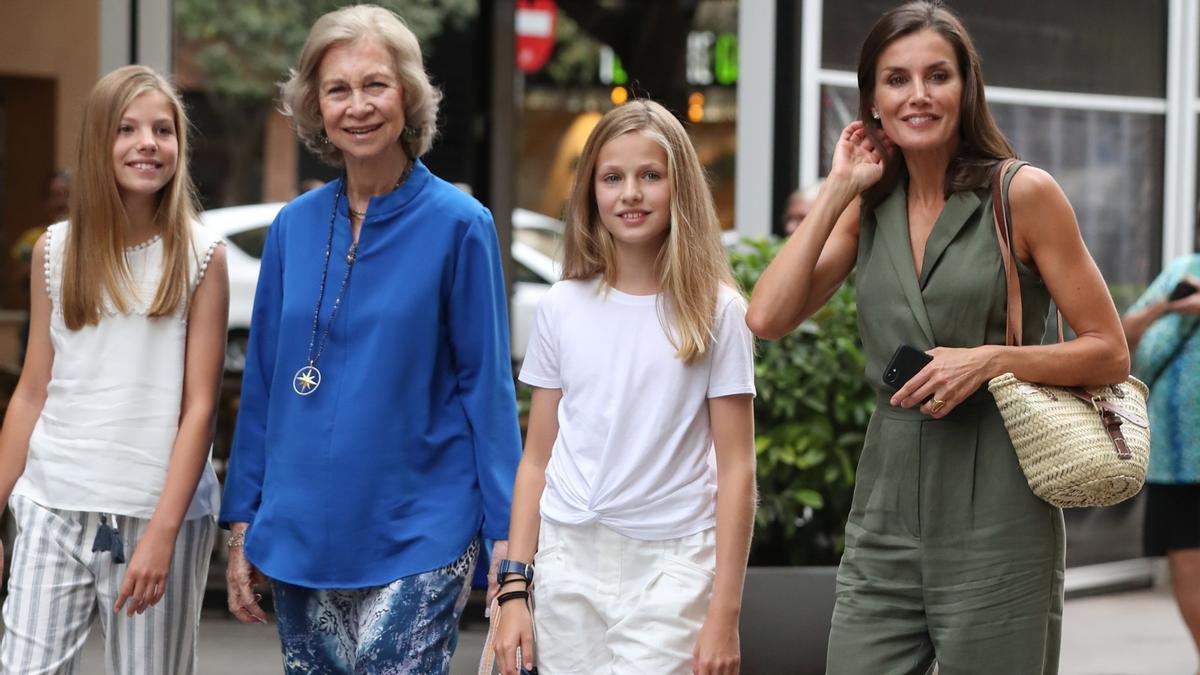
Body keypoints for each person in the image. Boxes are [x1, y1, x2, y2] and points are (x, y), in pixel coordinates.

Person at [746, 2, 1130, 672]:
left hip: (1001, 510)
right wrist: (838, 187)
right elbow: (768, 317)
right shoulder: (868, 206)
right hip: (886, 509)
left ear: (966, 88)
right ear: (872, 99)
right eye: (896, 79)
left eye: (937, 76)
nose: (917, 94)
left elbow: (1109, 349)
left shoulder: (1023, 194)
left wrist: (990, 360)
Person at [218, 6, 522, 673]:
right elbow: (265, 382)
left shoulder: (460, 224)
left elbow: (486, 385)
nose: (358, 106)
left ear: (408, 94)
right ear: (315, 106)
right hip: (301, 530)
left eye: (375, 84)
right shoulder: (292, 228)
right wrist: (242, 520)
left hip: (421, 526)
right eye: (338, 89)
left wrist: (509, 534)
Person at [492, 100, 757, 675]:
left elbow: (737, 469)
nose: (630, 193)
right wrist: (514, 590)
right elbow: (537, 458)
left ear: (679, 186)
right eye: (612, 177)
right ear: (591, 191)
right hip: (568, 558)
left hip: (672, 565)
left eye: (650, 176)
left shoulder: (719, 311)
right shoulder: (561, 304)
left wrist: (724, 613)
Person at [0, 65, 227, 673]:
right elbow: (31, 391)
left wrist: (162, 532)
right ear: (98, 142)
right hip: (52, 503)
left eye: (162, 129)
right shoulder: (54, 249)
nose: (147, 143)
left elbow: (199, 407)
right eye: (126, 129)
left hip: (155, 516)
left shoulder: (202, 256)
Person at [1122, 257, 1200, 661]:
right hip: (1176, 453)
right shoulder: (1182, 270)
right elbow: (1123, 334)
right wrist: (1168, 306)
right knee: (1185, 554)